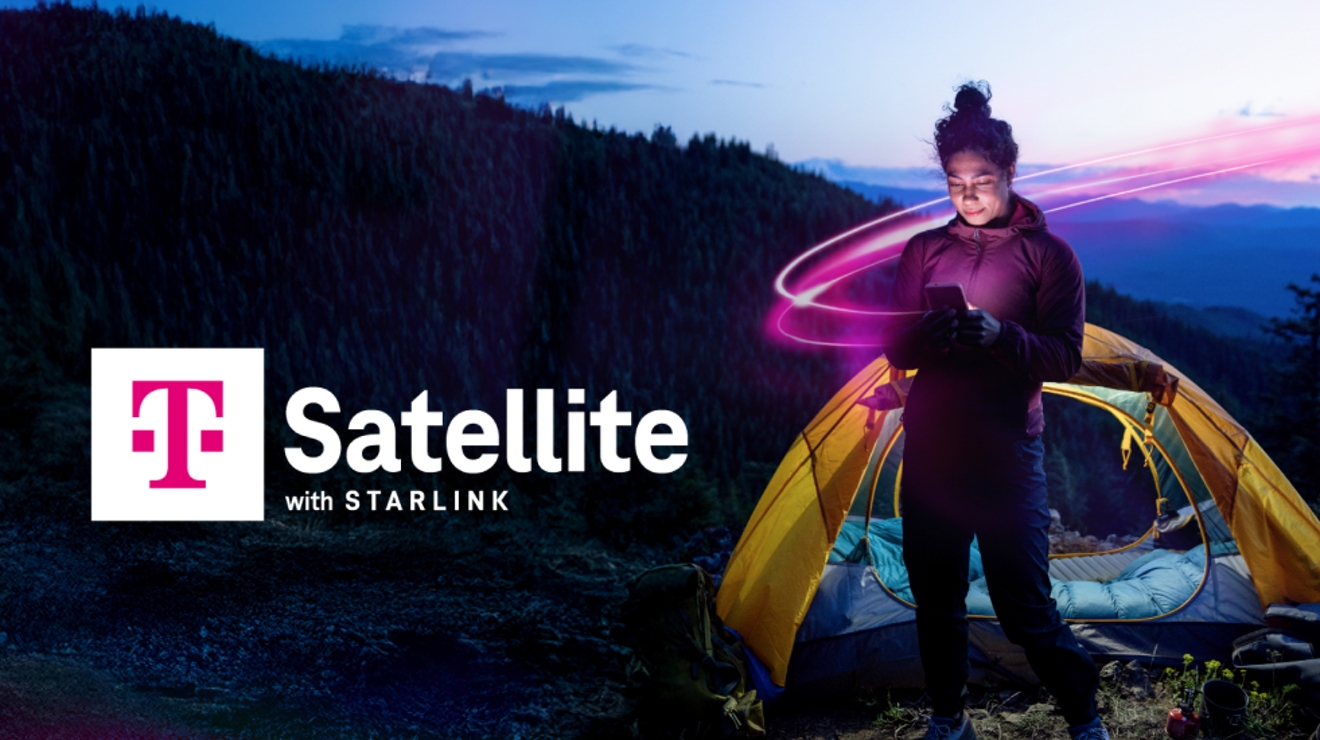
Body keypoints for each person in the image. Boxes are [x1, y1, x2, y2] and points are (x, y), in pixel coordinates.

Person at [883, 81, 1108, 740]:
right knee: (937, 597)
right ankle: (949, 720)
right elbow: (894, 345)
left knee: (1025, 607)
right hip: (931, 449)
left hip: (1007, 452)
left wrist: (1000, 336)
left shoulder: (1050, 257)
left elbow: (1065, 357)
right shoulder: (923, 251)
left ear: (1010, 173)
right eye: (955, 183)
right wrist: (933, 334)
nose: (969, 194)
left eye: (982, 179)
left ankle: (1085, 718)